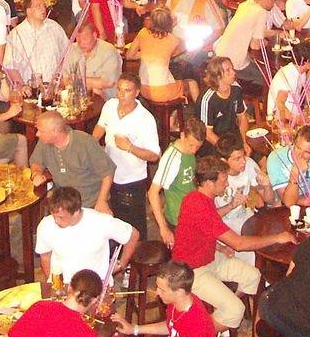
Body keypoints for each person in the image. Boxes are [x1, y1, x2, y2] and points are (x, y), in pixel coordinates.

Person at [171, 156, 293, 329]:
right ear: (208, 183)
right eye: (223, 182)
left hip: (209, 256)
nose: (227, 185)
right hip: (192, 270)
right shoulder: (198, 205)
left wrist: (229, 209)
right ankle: (201, 332)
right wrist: (277, 237)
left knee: (254, 276)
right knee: (236, 310)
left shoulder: (197, 197)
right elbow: (239, 244)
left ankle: (223, 312)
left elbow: (207, 222)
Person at [93, 74, 160, 237]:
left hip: (131, 180)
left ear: (137, 92)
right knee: (113, 222)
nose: (122, 94)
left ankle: (137, 256)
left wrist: (130, 147)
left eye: (127, 91)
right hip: (109, 176)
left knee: (134, 226)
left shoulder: (145, 119)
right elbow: (99, 129)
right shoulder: (109, 106)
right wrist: (91, 147)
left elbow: (154, 156)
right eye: (119, 89)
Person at [33, 185, 137, 284]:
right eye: (53, 216)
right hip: (62, 284)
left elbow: (133, 235)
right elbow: (45, 257)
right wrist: (53, 284)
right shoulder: (46, 225)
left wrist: (121, 264)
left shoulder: (101, 222)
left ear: (76, 212)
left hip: (94, 286)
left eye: (61, 217)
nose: (56, 221)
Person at [30, 111, 114, 213]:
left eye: (41, 131)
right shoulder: (45, 142)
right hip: (63, 203)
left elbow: (108, 172)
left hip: (90, 203)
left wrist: (102, 201)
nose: (37, 134)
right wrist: (36, 173)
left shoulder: (85, 142)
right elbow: (36, 162)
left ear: (55, 132)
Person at [149, 119, 206, 244]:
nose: (194, 150)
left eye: (198, 146)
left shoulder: (190, 152)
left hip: (193, 214)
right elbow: (152, 193)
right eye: (191, 145)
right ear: (182, 135)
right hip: (178, 219)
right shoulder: (172, 159)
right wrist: (163, 228)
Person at [265, 123, 310, 207]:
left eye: (307, 152)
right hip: (281, 209)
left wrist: (292, 200)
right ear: (293, 143)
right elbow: (288, 203)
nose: (300, 155)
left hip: (308, 206)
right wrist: (295, 171)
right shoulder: (275, 158)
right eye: (298, 148)